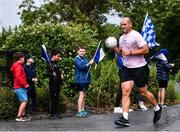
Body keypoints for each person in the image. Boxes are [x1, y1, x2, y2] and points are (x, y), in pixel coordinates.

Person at [113, 17, 162, 127]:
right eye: (121, 24)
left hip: (140, 68)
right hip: (126, 68)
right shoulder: (121, 38)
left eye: (124, 24)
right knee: (125, 92)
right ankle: (125, 119)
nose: (122, 26)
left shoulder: (136, 35)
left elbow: (146, 49)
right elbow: (122, 54)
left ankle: (157, 108)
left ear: (130, 25)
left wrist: (130, 52)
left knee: (144, 92)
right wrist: (114, 48)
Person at [74, 45, 94, 117]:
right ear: (78, 51)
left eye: (83, 51)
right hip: (80, 80)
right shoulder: (77, 59)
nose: (82, 52)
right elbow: (81, 67)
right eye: (80, 51)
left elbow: (87, 67)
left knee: (84, 95)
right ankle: (79, 111)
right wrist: (89, 63)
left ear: (85, 52)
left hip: (86, 79)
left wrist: (89, 63)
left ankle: (82, 110)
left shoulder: (85, 58)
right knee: (81, 95)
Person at [10, 52, 30, 122]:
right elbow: (19, 77)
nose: (24, 59)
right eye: (24, 58)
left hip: (19, 86)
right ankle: (18, 116)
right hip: (20, 86)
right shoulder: (18, 66)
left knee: (23, 101)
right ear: (21, 58)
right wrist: (25, 84)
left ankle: (22, 117)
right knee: (24, 101)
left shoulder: (17, 65)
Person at [47, 49, 63, 119]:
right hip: (53, 84)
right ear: (53, 56)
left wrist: (61, 74)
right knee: (53, 98)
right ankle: (52, 114)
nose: (59, 57)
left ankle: (56, 112)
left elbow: (58, 71)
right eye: (58, 56)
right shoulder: (49, 63)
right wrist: (52, 74)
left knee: (56, 98)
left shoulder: (56, 62)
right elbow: (48, 73)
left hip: (57, 83)